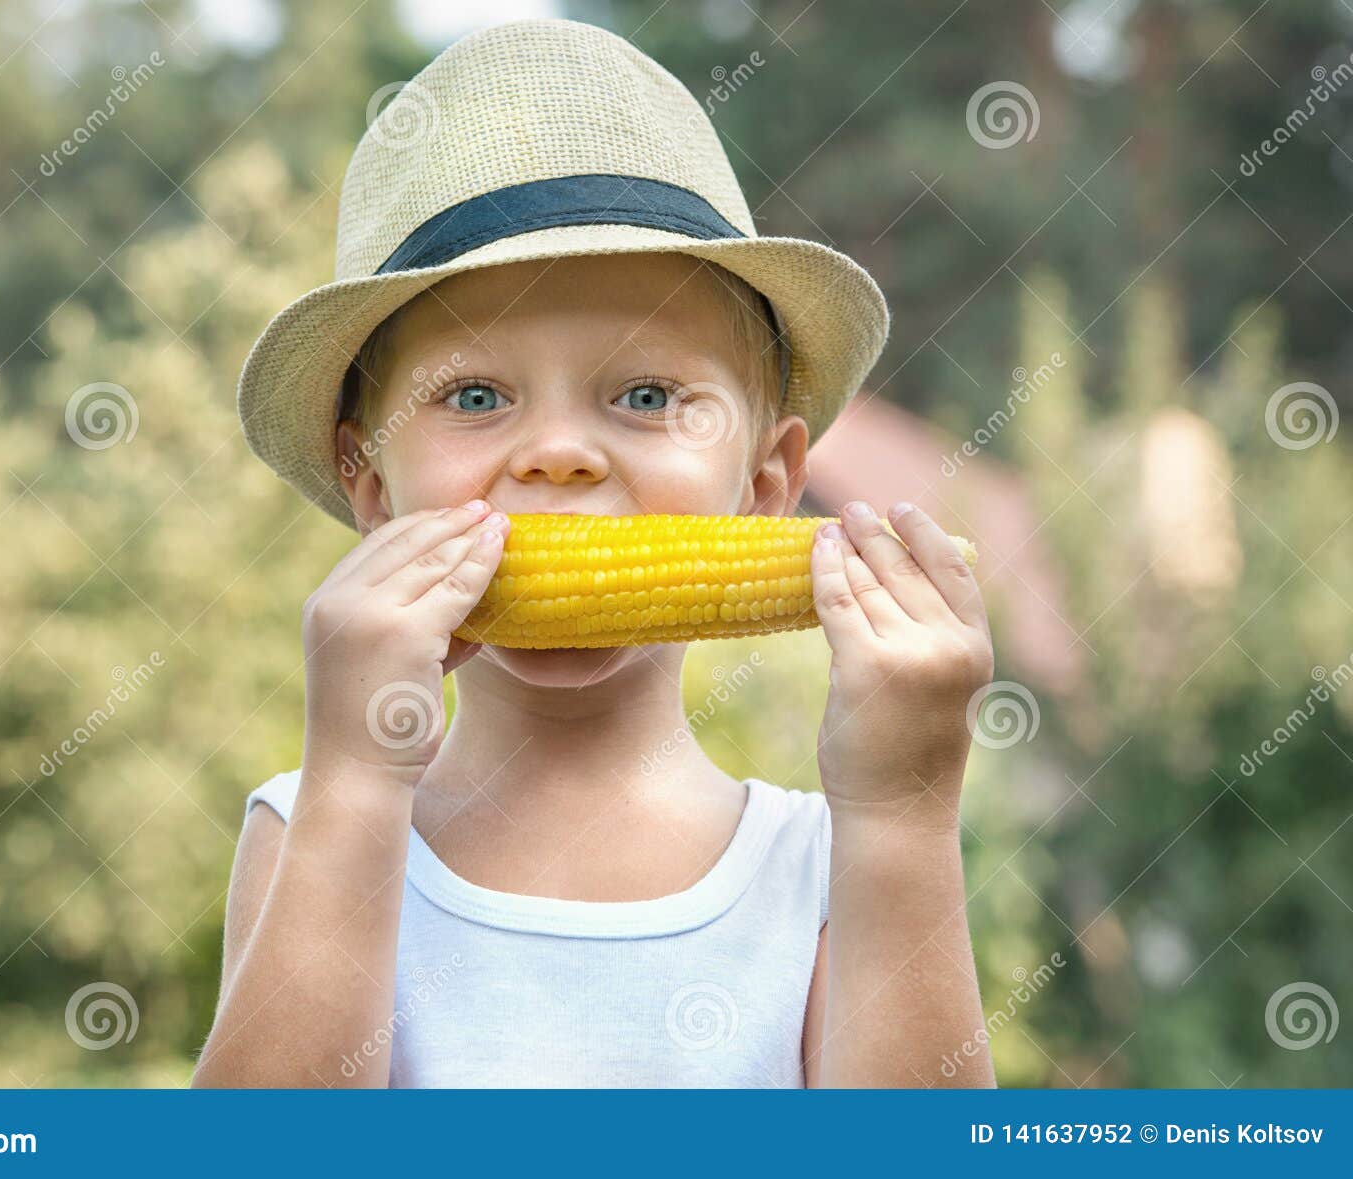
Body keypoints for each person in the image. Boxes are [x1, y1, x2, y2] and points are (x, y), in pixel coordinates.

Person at [193, 18, 995, 1088]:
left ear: (764, 484)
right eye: (475, 396)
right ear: (372, 482)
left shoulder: (825, 865)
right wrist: (357, 773)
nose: (561, 454)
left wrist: (902, 811)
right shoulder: (314, 822)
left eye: (648, 396)